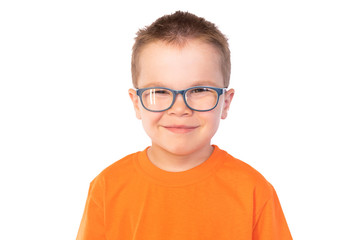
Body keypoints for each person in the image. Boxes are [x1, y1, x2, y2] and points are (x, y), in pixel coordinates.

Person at [76, 11, 292, 240]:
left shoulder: (253, 190)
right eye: (159, 91)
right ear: (137, 103)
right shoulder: (108, 186)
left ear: (226, 103)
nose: (179, 109)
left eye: (199, 90)